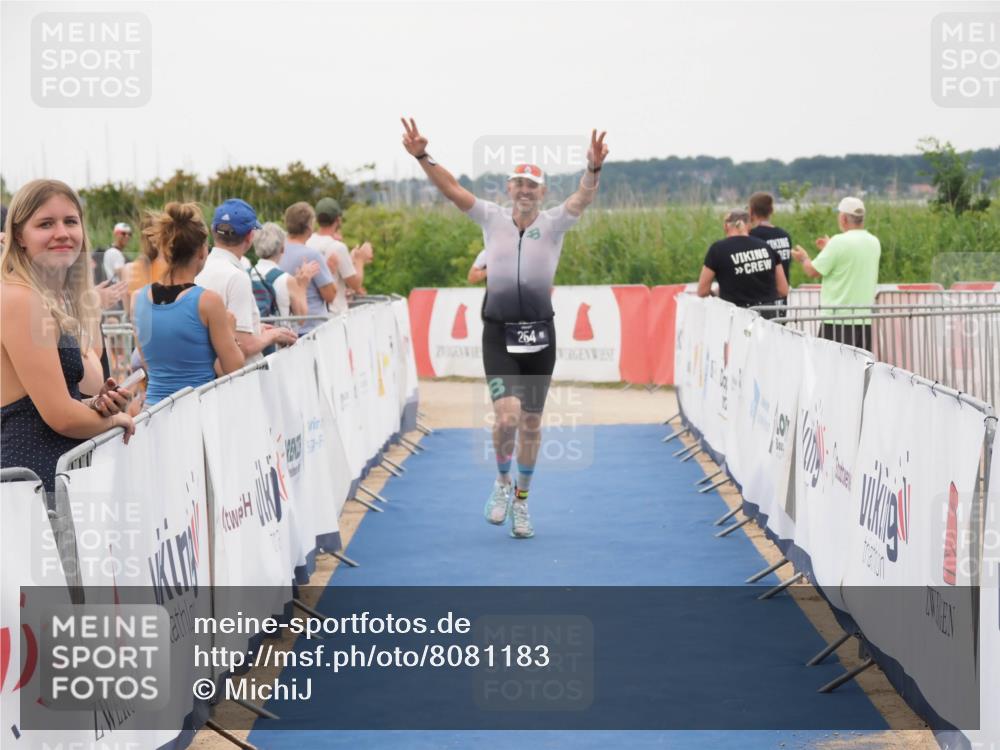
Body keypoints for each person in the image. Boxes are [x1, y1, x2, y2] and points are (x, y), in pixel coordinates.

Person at [401, 117, 608, 539]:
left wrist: (593, 169)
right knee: (507, 416)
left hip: (539, 335)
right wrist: (423, 155)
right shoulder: (490, 218)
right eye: (519, 184)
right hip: (498, 333)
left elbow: (582, 200)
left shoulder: (553, 224)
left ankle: (523, 500)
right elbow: (452, 189)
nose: (526, 191)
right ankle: (500, 482)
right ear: (509, 189)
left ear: (542, 192)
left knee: (531, 422)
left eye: (533, 185)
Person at [1, 180, 134, 492]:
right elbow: (59, 415)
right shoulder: (21, 299)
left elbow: (44, 401)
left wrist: (96, 405)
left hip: (51, 476)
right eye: (46, 224)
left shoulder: (39, 296)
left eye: (70, 221)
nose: (62, 232)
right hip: (33, 482)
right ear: (20, 235)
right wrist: (115, 422)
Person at [134, 203, 244, 404]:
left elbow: (147, 362)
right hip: (197, 411)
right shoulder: (208, 301)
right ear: (202, 253)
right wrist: (231, 332)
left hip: (153, 412)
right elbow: (234, 368)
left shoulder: (139, 299)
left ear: (167, 251)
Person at [195, 198, 298, 362]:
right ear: (250, 236)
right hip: (239, 379)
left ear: (214, 231)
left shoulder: (200, 267)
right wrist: (273, 335)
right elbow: (244, 345)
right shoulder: (236, 277)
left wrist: (256, 329)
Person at [791, 196, 881, 350]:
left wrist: (803, 258)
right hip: (863, 320)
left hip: (837, 320)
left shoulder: (839, 242)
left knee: (829, 368)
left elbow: (813, 271)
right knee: (858, 370)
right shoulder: (874, 241)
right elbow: (850, 259)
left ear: (844, 218)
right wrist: (830, 247)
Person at [697, 209, 789, 318]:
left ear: (726, 226)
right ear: (749, 225)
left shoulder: (717, 250)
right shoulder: (766, 247)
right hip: (768, 317)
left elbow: (702, 291)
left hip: (736, 317)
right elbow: (783, 290)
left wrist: (716, 294)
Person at [306, 198, 372, 315]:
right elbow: (355, 284)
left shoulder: (308, 241)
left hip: (315, 311)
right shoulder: (338, 247)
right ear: (338, 220)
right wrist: (360, 260)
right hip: (336, 312)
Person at [278, 202, 336, 333]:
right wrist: (331, 271)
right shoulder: (312, 255)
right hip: (312, 327)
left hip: (286, 328)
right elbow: (330, 296)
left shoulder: (276, 252)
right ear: (309, 226)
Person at [251, 221, 318, 318]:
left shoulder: (247, 274)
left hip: (257, 331)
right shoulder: (287, 279)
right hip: (281, 331)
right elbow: (301, 318)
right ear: (282, 248)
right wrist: (302, 286)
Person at [748, 192, 792, 302]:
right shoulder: (784, 235)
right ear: (771, 210)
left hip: (762, 300)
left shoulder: (752, 236)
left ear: (751, 211)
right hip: (782, 299)